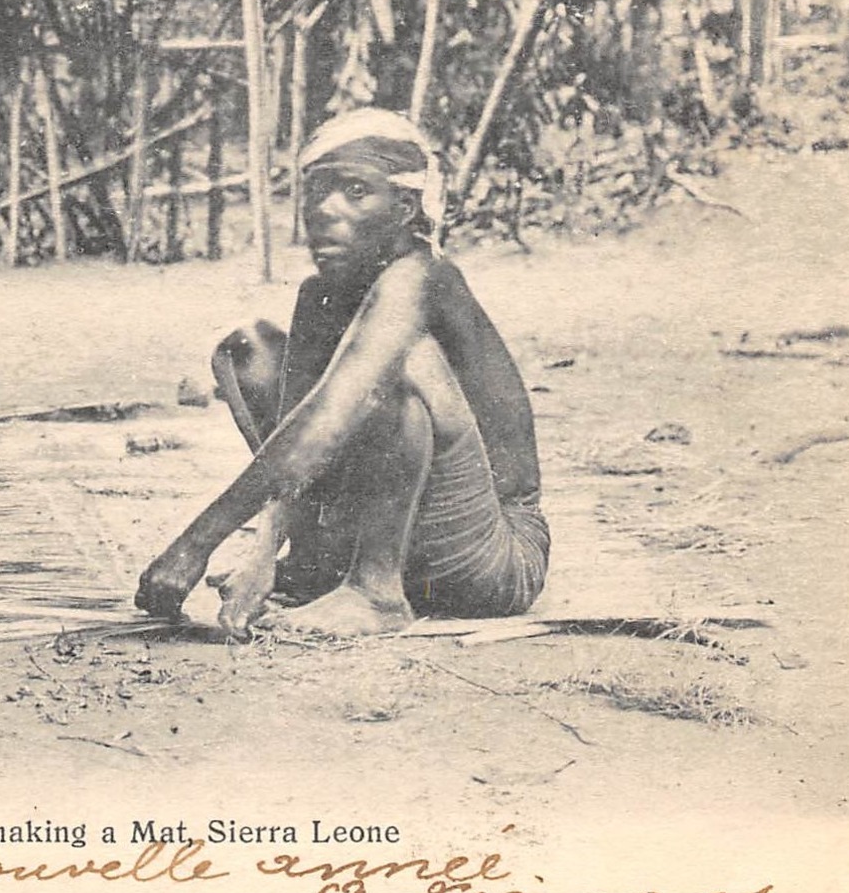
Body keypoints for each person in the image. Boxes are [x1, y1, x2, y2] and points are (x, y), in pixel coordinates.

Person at [135, 108, 549, 638]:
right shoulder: (320, 293)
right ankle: (320, 566)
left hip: (489, 556)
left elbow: (334, 418)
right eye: (316, 192)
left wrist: (193, 545)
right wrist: (264, 553)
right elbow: (299, 432)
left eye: (355, 191)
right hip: (391, 532)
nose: (325, 211)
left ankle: (377, 592)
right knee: (248, 352)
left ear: (404, 207)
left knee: (391, 369)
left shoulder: (423, 275)